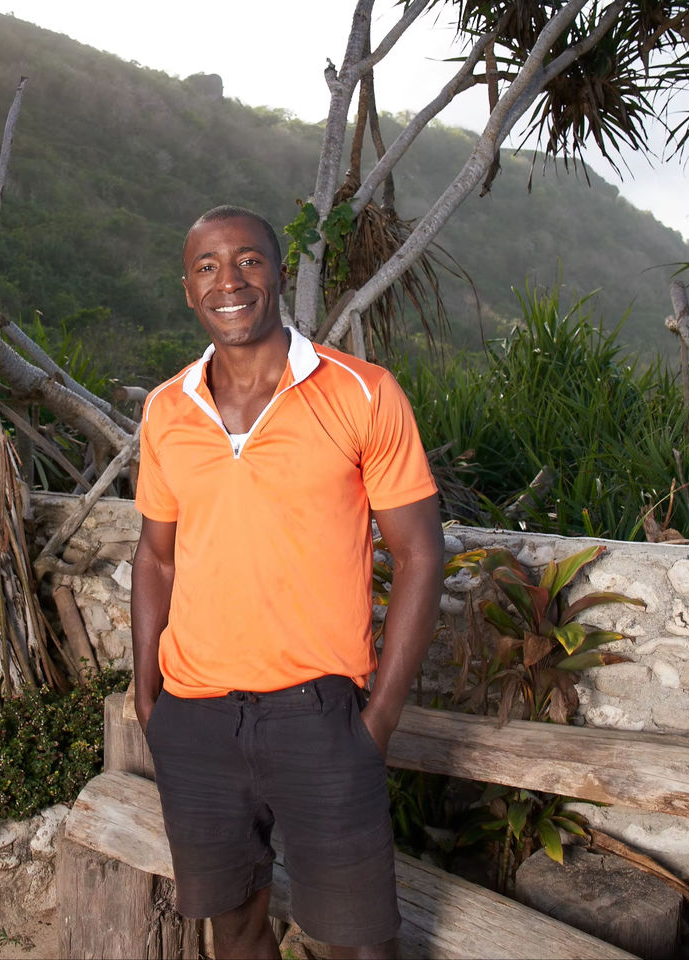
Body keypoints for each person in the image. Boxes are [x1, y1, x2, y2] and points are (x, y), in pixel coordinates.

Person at [131, 205, 444, 960]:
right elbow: (156, 558)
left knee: (359, 943)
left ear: (278, 272)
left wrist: (379, 719)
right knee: (234, 928)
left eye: (248, 260)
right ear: (187, 289)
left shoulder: (362, 392)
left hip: (320, 715)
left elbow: (420, 555)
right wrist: (148, 698)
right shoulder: (168, 409)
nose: (229, 281)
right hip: (196, 717)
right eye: (207, 266)